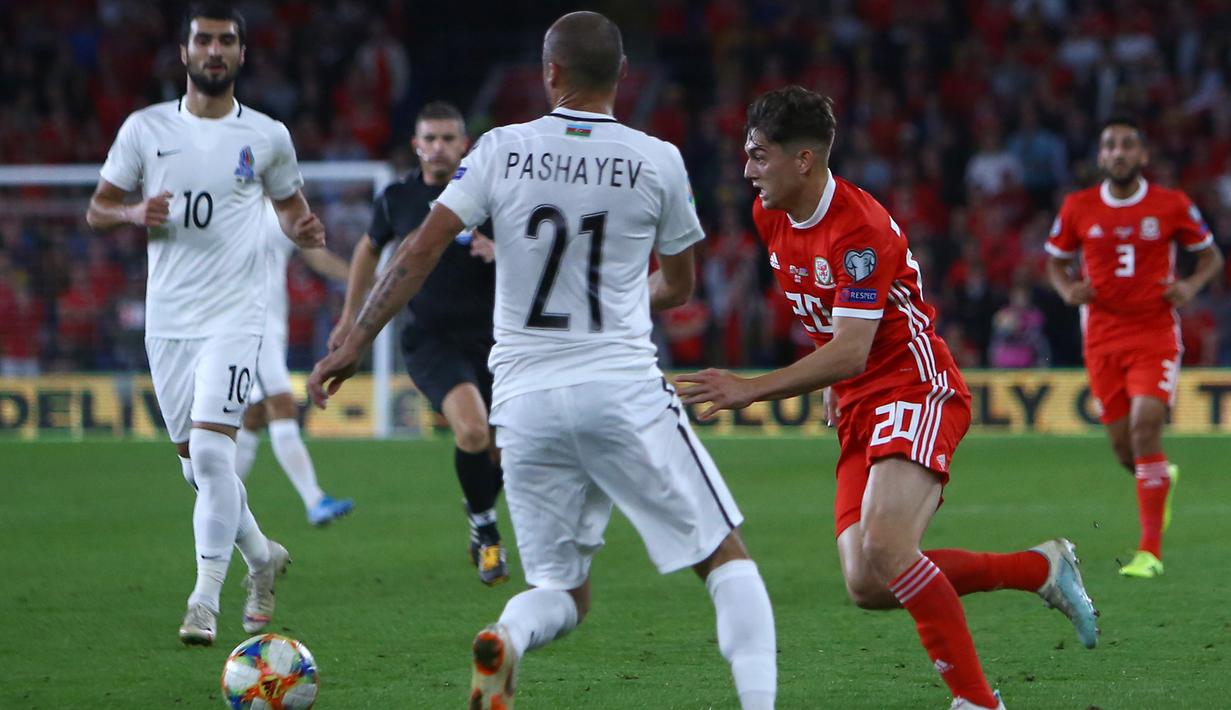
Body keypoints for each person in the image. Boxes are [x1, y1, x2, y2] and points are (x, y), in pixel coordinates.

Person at [310, 12, 778, 710]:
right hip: (620, 389)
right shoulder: (658, 159)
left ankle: (508, 636)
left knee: (560, 589)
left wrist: (352, 339)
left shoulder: (499, 148)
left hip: (523, 401)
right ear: (622, 75)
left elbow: (418, 248)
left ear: (548, 73)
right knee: (723, 557)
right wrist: (621, 294)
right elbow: (678, 286)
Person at [678, 86, 1099, 710]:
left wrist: (751, 389)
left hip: (916, 383)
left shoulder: (861, 229)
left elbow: (852, 349)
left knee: (885, 548)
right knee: (868, 583)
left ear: (803, 160)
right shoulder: (770, 215)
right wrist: (830, 381)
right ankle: (1039, 569)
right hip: (857, 402)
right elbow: (830, 327)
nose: (747, 171)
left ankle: (978, 701)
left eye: (760, 156)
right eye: (747, 155)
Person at [85, 3, 323, 646]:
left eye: (226, 41)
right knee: (197, 469)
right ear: (184, 52)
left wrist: (304, 229)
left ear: (242, 54)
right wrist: (136, 212)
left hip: (236, 316)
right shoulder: (145, 129)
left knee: (216, 452)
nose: (214, 51)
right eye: (204, 40)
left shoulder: (269, 134)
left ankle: (205, 600)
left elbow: (293, 210)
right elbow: (99, 210)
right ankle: (262, 555)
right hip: (168, 322)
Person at [327, 101, 508, 585]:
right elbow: (368, 249)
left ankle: (478, 508)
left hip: (497, 339)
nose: (439, 147)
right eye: (430, 138)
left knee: (506, 449)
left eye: (449, 138)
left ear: (464, 145)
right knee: (472, 432)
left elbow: (536, 250)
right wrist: (350, 318)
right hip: (431, 339)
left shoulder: (492, 195)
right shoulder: (397, 199)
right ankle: (487, 534)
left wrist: (502, 251)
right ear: (416, 145)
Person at [1045, 117, 1223, 579]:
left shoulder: (1170, 204)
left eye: (1127, 145)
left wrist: (1190, 285)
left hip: (1154, 333)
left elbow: (1211, 256)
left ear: (1142, 156)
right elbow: (1055, 262)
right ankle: (1161, 475)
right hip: (1101, 339)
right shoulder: (1078, 207)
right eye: (1109, 145)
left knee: (1146, 429)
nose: (1118, 152)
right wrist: (1067, 291)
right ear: (1100, 157)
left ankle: (1150, 552)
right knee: (1127, 450)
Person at [234, 202, 354, 526]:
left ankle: (219, 501)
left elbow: (316, 256)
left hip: (272, 329)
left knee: (255, 415)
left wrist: (361, 281)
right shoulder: (230, 205)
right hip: (243, 326)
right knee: (283, 403)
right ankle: (314, 500)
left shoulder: (282, 213)